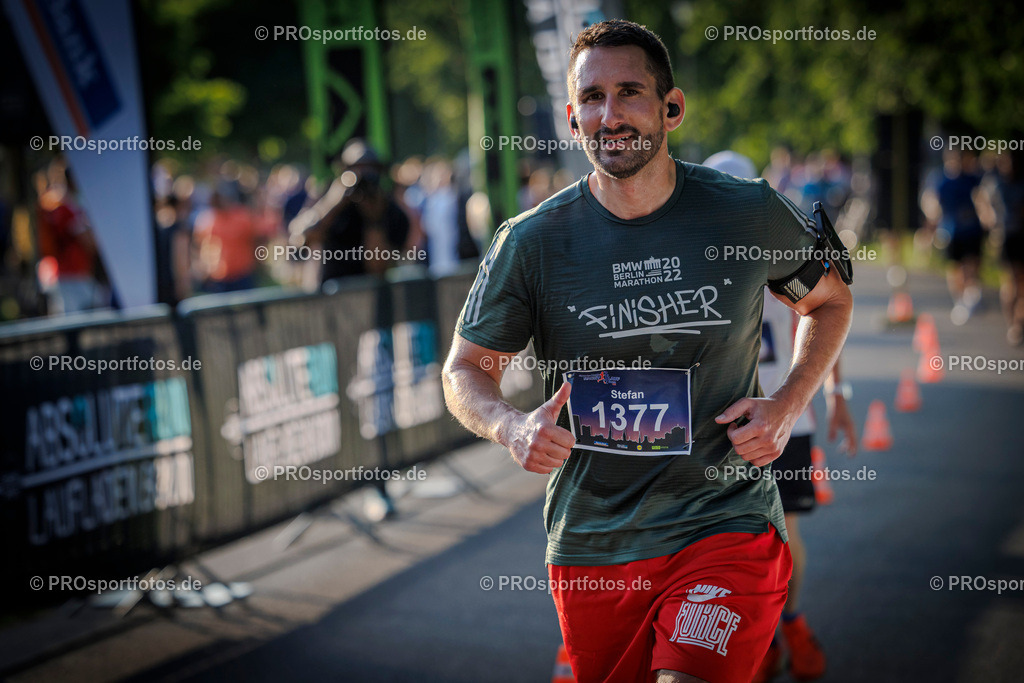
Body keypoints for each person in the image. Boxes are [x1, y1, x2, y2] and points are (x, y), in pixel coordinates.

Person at [442, 19, 853, 683]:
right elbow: (465, 369)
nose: (611, 114)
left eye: (630, 92)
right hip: (593, 543)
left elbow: (828, 300)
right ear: (572, 119)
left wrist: (787, 401)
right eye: (593, 98)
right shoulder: (531, 241)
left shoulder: (744, 211)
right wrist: (509, 424)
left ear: (672, 107)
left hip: (724, 522)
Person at [704, 151, 860, 682]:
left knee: (784, 537)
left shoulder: (780, 240)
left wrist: (837, 393)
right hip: (724, 421)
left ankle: (788, 624)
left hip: (783, 413)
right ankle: (764, 634)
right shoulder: (699, 251)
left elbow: (827, 310)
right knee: (732, 542)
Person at [288, 139, 412, 284]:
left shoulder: (390, 211)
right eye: (356, 168)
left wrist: (374, 220)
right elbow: (300, 239)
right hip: (329, 290)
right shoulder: (328, 195)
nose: (363, 175)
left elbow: (378, 269)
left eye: (370, 169)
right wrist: (333, 204)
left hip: (368, 294)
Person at [921, 149, 986, 324]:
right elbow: (932, 206)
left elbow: (982, 200)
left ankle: (970, 295)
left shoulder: (972, 179)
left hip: (972, 231)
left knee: (972, 266)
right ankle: (960, 300)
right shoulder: (942, 182)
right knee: (955, 269)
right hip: (951, 232)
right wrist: (928, 232)